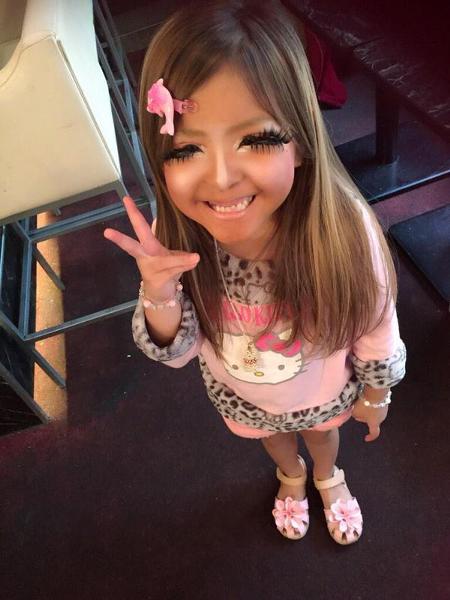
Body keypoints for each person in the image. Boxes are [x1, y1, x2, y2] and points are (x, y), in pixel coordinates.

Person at [103, 0, 406, 545]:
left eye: (256, 140)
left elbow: (377, 322)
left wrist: (377, 392)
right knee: (271, 439)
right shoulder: (176, 235)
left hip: (323, 393)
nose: (222, 178)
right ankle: (290, 475)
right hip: (244, 397)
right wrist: (159, 292)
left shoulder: (343, 229)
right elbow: (177, 351)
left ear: (301, 142)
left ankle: (326, 475)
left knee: (322, 437)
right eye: (187, 148)